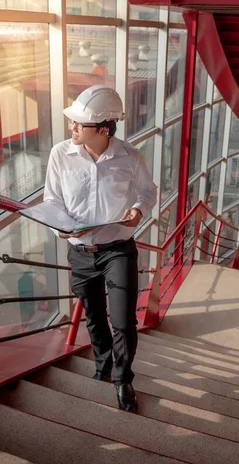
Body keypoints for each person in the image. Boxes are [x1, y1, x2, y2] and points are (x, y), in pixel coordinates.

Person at [44, 85, 157, 413]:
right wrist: (59, 227)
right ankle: (104, 363)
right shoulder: (59, 155)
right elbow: (52, 201)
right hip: (79, 251)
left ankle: (123, 379)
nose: (72, 128)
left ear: (105, 129)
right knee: (94, 316)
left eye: (80, 124)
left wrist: (138, 209)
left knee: (122, 321)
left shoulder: (130, 157)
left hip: (118, 250)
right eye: (73, 123)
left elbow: (147, 191)